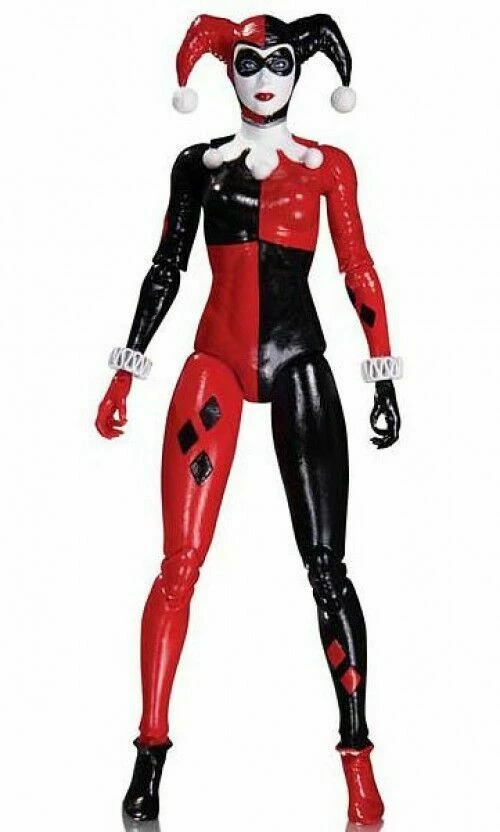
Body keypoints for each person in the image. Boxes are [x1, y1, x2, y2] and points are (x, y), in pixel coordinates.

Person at [95, 13, 402, 826]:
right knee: (179, 563)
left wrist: (381, 370)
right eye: (247, 63)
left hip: (300, 362)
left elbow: (357, 265)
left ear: (300, 72)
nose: (264, 78)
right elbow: (166, 266)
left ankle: (359, 760)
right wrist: (127, 369)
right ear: (226, 73)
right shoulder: (198, 166)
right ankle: (149, 755)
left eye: (279, 63)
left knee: (327, 568)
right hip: (215, 366)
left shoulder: (328, 167)